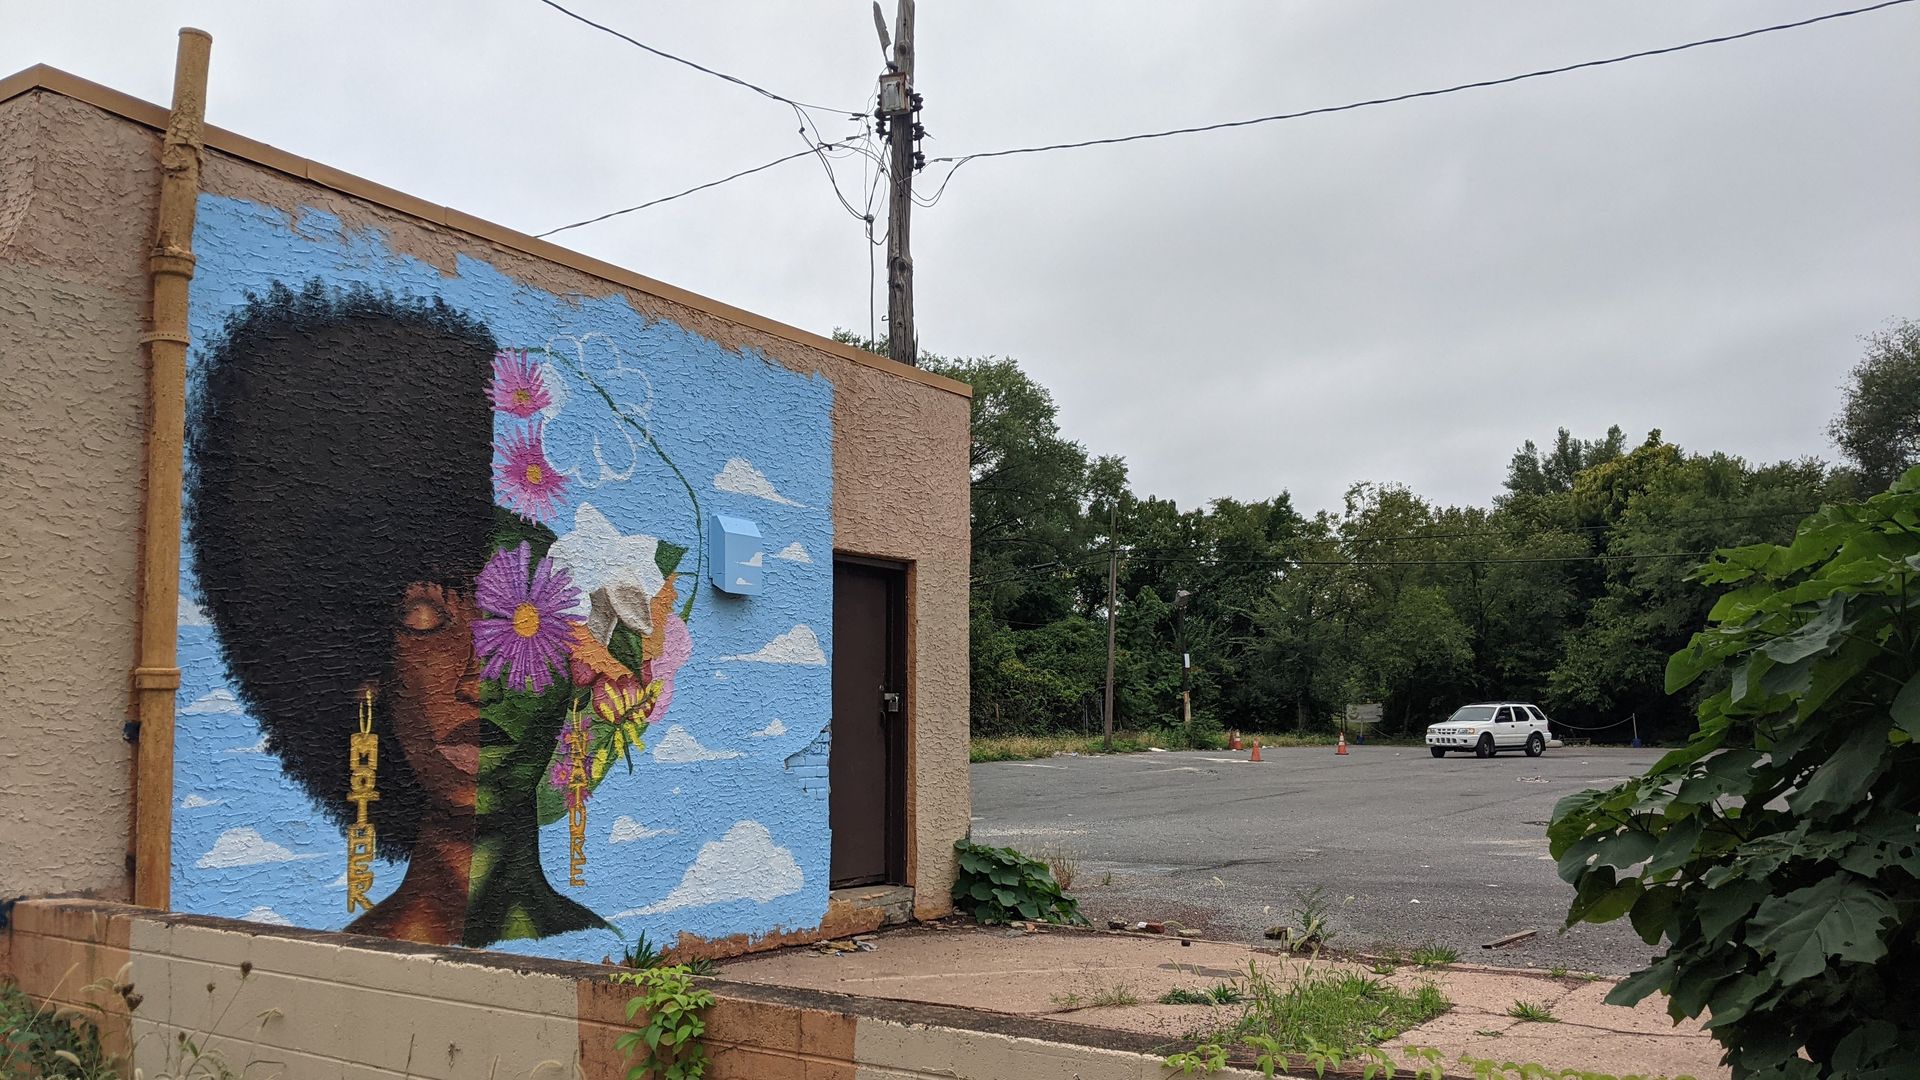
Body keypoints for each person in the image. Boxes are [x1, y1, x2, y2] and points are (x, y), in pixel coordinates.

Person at [187, 281, 613, 947]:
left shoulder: (609, 949)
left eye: (520, 625)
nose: (478, 678)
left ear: (572, 678)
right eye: (427, 620)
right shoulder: (334, 975)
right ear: (369, 671)